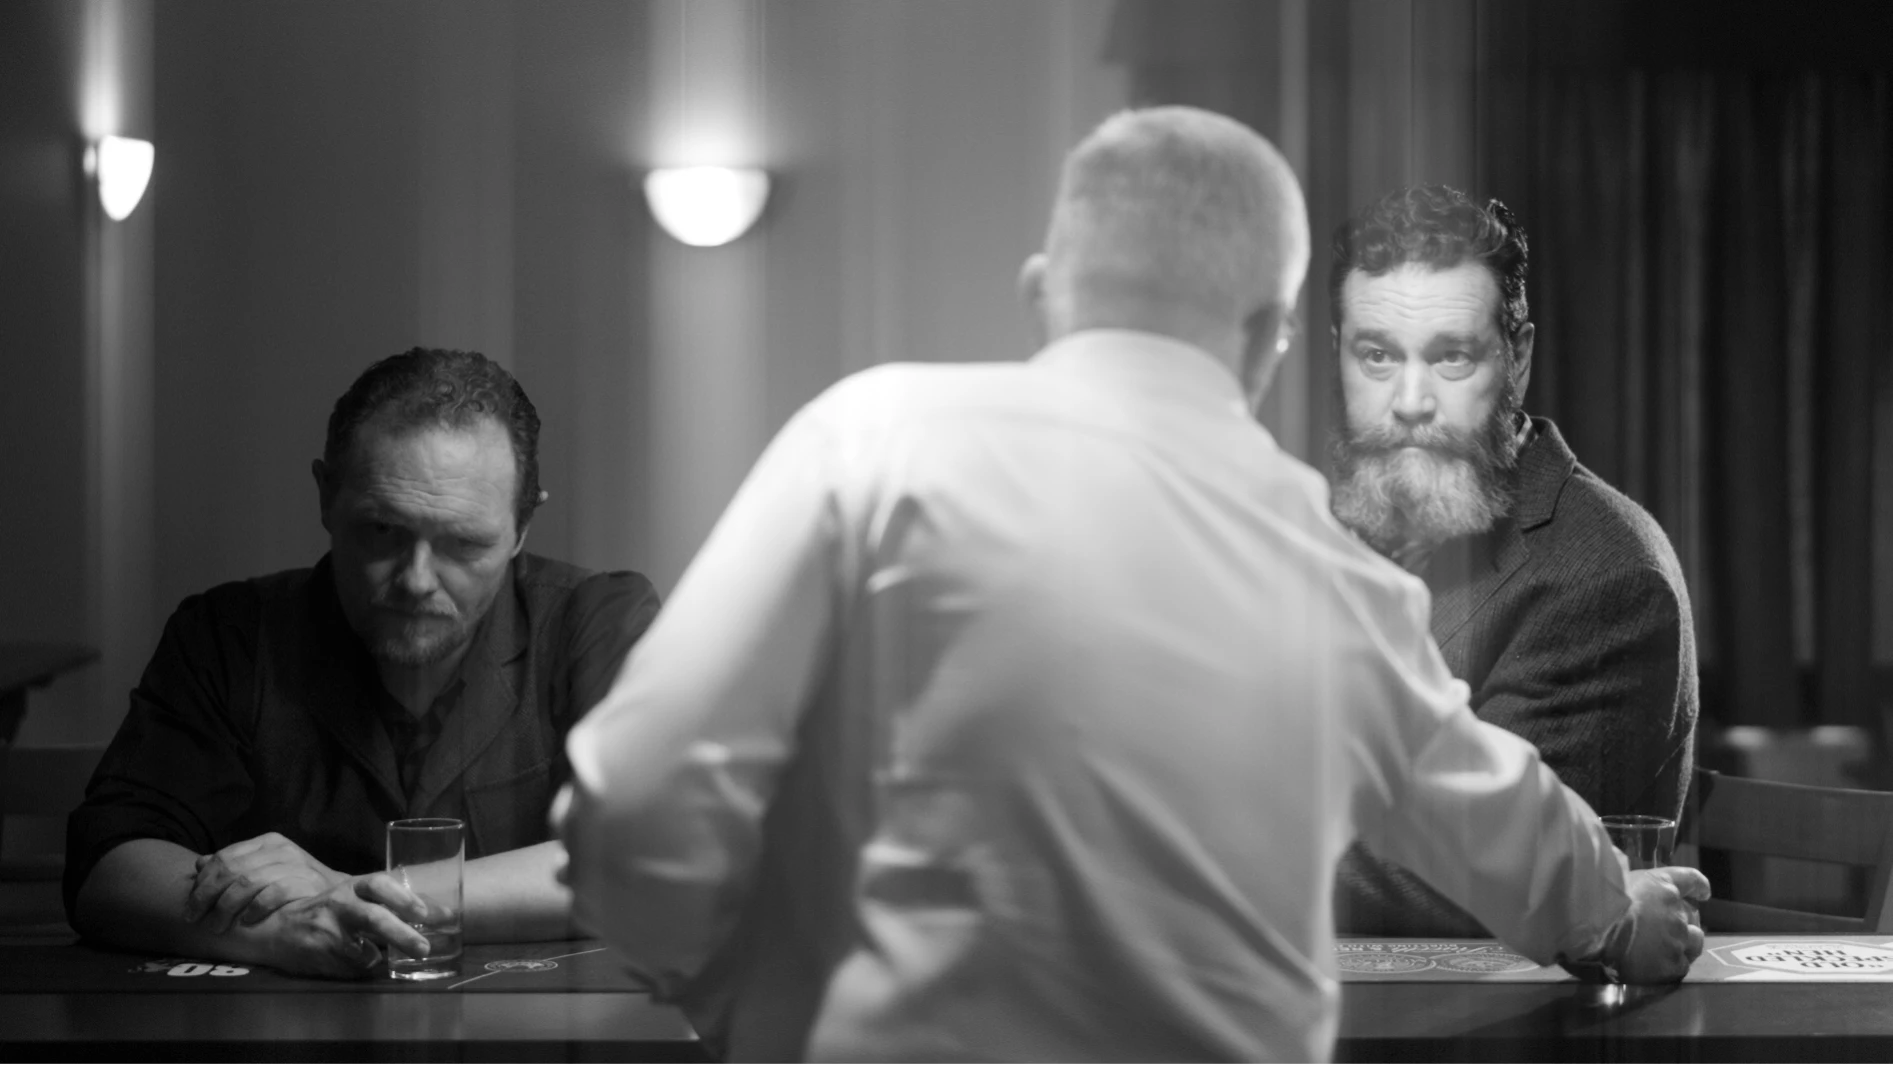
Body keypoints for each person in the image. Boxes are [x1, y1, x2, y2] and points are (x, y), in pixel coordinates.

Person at [555, 107, 1707, 1063]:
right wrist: (1618, 917)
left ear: (1042, 291)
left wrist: (727, 992)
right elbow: (1501, 824)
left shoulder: (869, 440)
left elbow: (636, 792)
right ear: (1274, 340)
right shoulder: (1329, 573)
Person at [65, 348, 661, 978]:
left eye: (463, 543)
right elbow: (107, 867)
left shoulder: (596, 619)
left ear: (521, 528)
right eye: (382, 531)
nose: (417, 580)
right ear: (326, 496)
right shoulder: (229, 634)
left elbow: (650, 864)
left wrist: (354, 892)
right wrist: (272, 934)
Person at [1326, 186, 1700, 937]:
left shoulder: (1608, 578)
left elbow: (1471, 879)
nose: (1407, 401)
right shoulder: (1328, 528)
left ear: (1517, 356)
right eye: (1374, 355)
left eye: (1451, 356)